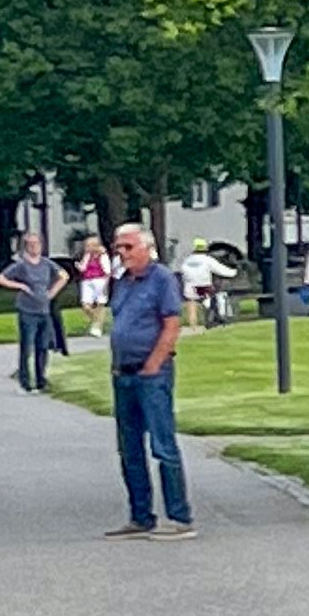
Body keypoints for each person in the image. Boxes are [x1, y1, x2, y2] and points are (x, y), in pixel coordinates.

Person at [105, 223, 194, 537]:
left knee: (162, 444)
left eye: (128, 247)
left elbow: (171, 324)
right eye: (118, 247)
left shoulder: (162, 279)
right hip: (124, 373)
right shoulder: (121, 282)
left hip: (151, 374)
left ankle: (179, 517)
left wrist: (154, 364)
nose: (122, 253)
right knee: (129, 448)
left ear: (146, 247)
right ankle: (140, 515)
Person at [0, 231, 58, 393]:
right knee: (27, 346)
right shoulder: (21, 265)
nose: (34, 247)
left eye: (36, 243)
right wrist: (21, 286)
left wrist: (51, 293)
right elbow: (0, 279)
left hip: (43, 310)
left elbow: (63, 275)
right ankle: (25, 382)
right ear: (26, 247)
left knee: (43, 346)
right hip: (27, 310)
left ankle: (41, 381)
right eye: (30, 244)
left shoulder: (46, 264)